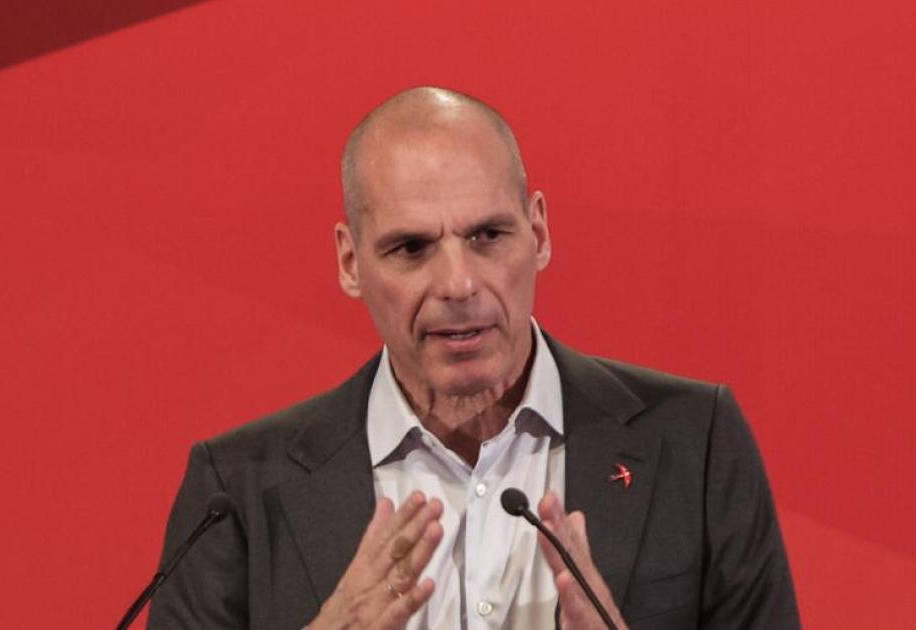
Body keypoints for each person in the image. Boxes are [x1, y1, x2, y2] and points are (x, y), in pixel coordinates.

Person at [146, 86, 800, 630]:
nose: (458, 284)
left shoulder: (694, 442)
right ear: (350, 262)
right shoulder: (237, 492)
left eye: (488, 235)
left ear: (538, 232)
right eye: (411, 248)